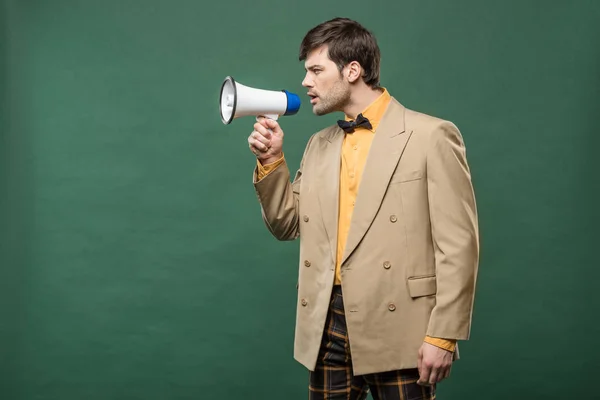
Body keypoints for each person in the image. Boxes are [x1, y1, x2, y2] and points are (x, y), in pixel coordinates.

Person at [247, 17, 479, 400]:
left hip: (401, 324)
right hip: (327, 322)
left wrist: (443, 334)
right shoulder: (318, 144)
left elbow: (459, 245)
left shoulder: (431, 136)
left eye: (316, 70)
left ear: (352, 70)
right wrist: (272, 161)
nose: (306, 82)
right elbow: (286, 224)